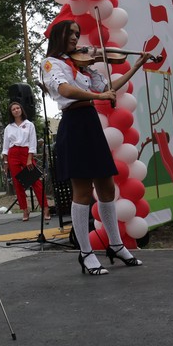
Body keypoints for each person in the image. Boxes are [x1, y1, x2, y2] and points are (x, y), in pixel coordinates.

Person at [41, 19, 151, 275]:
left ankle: (116, 245)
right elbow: (65, 89)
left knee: (106, 187)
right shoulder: (51, 63)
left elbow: (108, 87)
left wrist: (136, 66)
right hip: (74, 124)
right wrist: (98, 97)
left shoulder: (84, 66)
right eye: (71, 33)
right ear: (59, 35)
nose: (75, 38)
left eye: (77, 34)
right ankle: (85, 253)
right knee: (81, 191)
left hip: (90, 123)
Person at [1, 101, 51, 222]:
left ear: (21, 110)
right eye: (13, 109)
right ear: (11, 113)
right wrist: (6, 162)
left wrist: (30, 158)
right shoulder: (8, 127)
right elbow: (5, 146)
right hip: (13, 154)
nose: (16, 110)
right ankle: (25, 209)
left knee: (35, 182)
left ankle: (45, 208)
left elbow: (33, 143)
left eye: (18, 108)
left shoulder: (29, 125)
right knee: (18, 183)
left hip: (25, 152)